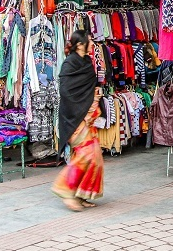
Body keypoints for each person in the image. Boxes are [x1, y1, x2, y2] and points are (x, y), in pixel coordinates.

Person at [51, 31, 104, 211]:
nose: (92, 44)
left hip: (87, 116)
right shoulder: (69, 64)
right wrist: (81, 109)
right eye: (89, 41)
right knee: (86, 154)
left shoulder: (87, 62)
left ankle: (82, 194)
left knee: (95, 157)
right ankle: (64, 188)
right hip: (73, 118)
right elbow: (66, 92)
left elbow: (90, 87)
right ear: (80, 44)